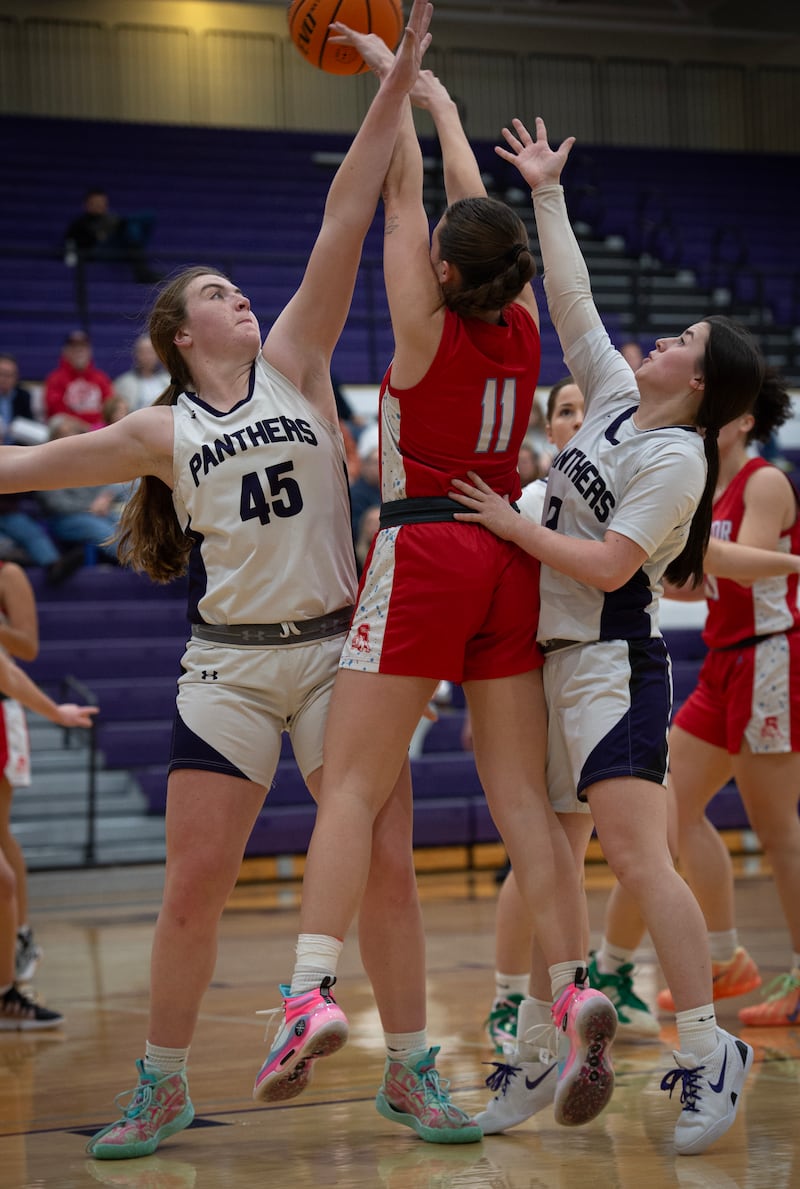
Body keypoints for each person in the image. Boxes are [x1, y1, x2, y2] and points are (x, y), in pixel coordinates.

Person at [0, 1, 471, 1158]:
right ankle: (159, 1084)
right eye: (214, 292)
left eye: (235, 289)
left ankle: (409, 1070)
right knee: (191, 888)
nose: (238, 297)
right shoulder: (150, 429)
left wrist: (392, 86)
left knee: (392, 879)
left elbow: (348, 208)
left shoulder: (299, 358)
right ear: (175, 332)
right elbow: (18, 466)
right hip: (226, 665)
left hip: (336, 657)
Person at [258, 39, 617, 1137]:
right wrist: (445, 103)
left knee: (355, 789)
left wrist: (393, 91)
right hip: (507, 552)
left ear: (445, 274)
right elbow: (473, 213)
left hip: (423, 544)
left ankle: (310, 990)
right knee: (521, 799)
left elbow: (407, 196)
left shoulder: (423, 325)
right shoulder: (517, 329)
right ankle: (570, 983)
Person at [449, 114, 769, 1156]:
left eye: (682, 342)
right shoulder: (624, 400)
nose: (660, 339)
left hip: (606, 663)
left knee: (638, 855)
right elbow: (571, 296)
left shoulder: (675, 458)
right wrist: (543, 190)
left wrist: (508, 516)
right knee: (545, 863)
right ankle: (540, 1042)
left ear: (700, 381)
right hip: (536, 660)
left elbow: (606, 567)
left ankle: (710, 1044)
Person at [654, 388, 800, 1028]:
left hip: (771, 656)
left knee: (777, 833)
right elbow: (693, 577)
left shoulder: (763, 483)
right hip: (722, 662)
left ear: (744, 422)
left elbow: (737, 567)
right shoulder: (707, 485)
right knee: (670, 808)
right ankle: (724, 958)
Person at [0, 574, 97, 1028]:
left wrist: (56, 712)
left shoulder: (8, 574)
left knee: (3, 879)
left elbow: (11, 669)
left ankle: (7, 988)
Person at [34, 416, 123, 564]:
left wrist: (105, 498)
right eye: (64, 433)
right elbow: (56, 504)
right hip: (65, 519)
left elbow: (111, 482)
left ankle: (151, 562)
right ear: (54, 437)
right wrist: (91, 507)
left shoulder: (87, 460)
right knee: (104, 531)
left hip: (98, 512)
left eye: (73, 432)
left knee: (125, 522)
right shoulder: (45, 465)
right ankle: (140, 566)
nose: (70, 436)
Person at [63, 188, 161, 284]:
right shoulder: (79, 224)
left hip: (118, 249)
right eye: (96, 202)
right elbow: (71, 244)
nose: (100, 205)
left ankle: (133, 239)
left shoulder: (111, 218)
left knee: (145, 219)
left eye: (103, 202)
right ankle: (141, 268)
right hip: (97, 252)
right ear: (87, 205)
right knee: (130, 229)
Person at [43, 331, 113, 429]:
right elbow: (56, 411)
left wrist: (95, 427)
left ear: (89, 351)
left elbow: (110, 407)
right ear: (65, 351)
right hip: (71, 431)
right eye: (74, 348)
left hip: (97, 430)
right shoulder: (55, 379)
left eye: (83, 347)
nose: (79, 351)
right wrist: (85, 427)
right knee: (62, 425)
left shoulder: (101, 378)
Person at [112, 334, 170, 412]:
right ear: (136, 354)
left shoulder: (169, 380)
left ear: (158, 354)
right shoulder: (123, 383)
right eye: (143, 352)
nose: (147, 357)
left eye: (151, 352)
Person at [349, 421, 381, 541]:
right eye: (375, 462)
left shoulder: (389, 491)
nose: (379, 467)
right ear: (364, 464)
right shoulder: (355, 494)